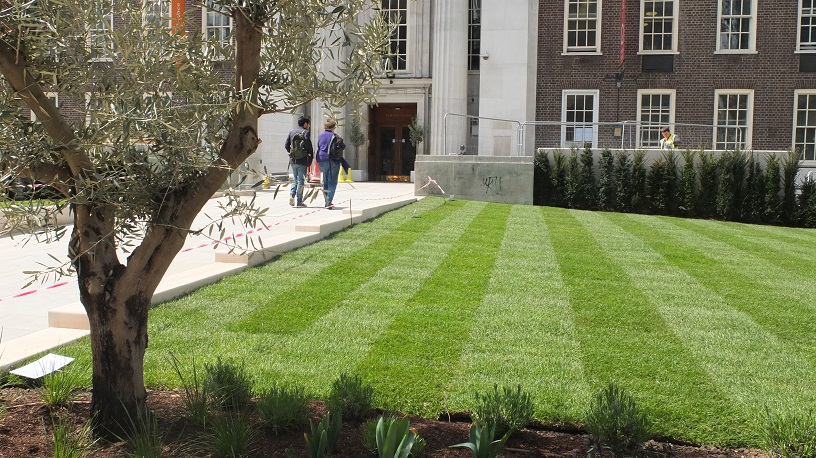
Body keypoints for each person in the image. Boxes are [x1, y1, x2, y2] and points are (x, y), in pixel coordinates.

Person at [316, 118, 346, 209]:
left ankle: (326, 200)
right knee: (332, 182)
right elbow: (343, 146)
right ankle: (328, 202)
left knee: (325, 181)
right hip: (332, 160)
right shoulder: (334, 136)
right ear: (334, 127)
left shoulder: (320, 136)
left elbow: (319, 146)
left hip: (321, 160)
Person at [284, 116, 314, 207]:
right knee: (301, 180)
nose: (309, 125)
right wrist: (310, 155)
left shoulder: (292, 132)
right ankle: (299, 201)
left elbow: (286, 145)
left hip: (293, 160)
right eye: (308, 124)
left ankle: (291, 195)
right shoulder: (305, 133)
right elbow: (308, 146)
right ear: (305, 124)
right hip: (302, 160)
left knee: (295, 180)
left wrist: (292, 153)